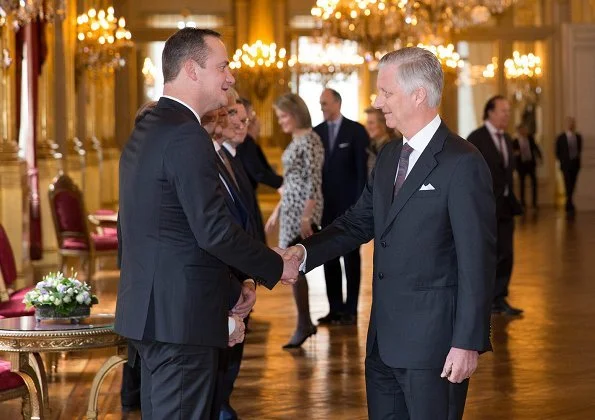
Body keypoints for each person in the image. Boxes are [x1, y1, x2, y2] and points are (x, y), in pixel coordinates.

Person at [282, 47, 496, 420]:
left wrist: (467, 343)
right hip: (382, 343)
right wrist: (303, 254)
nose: (378, 102)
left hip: (435, 349)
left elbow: (477, 261)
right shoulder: (387, 157)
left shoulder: (463, 162)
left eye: (386, 92)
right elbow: (356, 223)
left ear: (418, 94)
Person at [116, 28, 298, 420]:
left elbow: (171, 231)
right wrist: (273, 264)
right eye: (222, 66)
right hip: (181, 321)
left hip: (151, 314)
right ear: (191, 70)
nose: (230, 77)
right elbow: (211, 230)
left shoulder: (148, 128)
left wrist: (233, 288)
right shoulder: (187, 134)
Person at [265, 93, 325, 348]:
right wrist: (277, 210)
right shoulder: (296, 139)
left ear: (296, 113)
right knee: (292, 265)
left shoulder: (311, 139)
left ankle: (303, 323)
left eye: (283, 116)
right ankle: (304, 322)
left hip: (303, 210)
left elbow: (314, 180)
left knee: (295, 265)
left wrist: (307, 216)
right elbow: (290, 181)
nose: (280, 122)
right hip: (290, 209)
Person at [314, 88, 369, 325]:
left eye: (325, 103)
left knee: (351, 259)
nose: (323, 108)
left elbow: (362, 172)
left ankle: (351, 309)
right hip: (325, 208)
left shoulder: (356, 131)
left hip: (350, 208)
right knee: (329, 257)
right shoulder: (316, 133)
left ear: (338, 102)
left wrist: (359, 206)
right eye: (321, 104)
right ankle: (334, 308)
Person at [468, 95, 524, 316]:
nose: (507, 115)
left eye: (508, 111)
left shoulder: (508, 139)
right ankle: (486, 300)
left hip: (506, 208)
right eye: (503, 111)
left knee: (506, 254)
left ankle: (499, 298)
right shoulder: (476, 138)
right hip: (484, 209)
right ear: (490, 112)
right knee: (486, 255)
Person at [236, 97, 284, 193]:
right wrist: (284, 182)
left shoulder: (248, 141)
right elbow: (259, 172)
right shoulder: (245, 141)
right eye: (252, 112)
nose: (254, 117)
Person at [556, 116, 582, 215]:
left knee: (572, 184)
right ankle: (569, 204)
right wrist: (563, 161)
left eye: (572, 123)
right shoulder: (561, 138)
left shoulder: (578, 137)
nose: (570, 125)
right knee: (567, 184)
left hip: (575, 165)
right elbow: (557, 152)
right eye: (569, 123)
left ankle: (569, 203)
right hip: (565, 165)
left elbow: (579, 150)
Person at [512, 123, 542, 209]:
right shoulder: (515, 141)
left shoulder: (530, 139)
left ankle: (534, 202)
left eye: (524, 129)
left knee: (534, 183)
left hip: (531, 164)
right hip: (521, 165)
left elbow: (536, 148)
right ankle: (522, 202)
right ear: (518, 131)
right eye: (521, 130)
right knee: (522, 184)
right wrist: (515, 153)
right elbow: (512, 152)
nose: (523, 131)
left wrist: (540, 157)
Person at [364, 106, 398, 180]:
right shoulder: (371, 146)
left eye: (371, 123)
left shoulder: (393, 148)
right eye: (367, 123)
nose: (367, 127)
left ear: (383, 124)